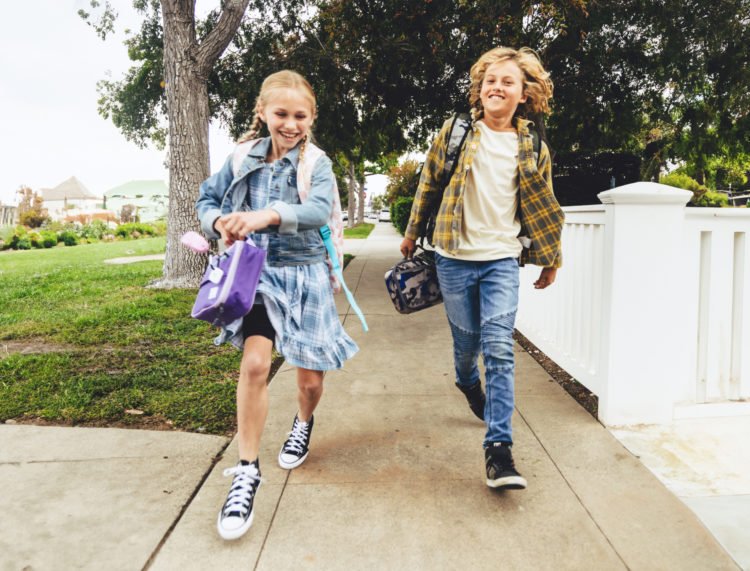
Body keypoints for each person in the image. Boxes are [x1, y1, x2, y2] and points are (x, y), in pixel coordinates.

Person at [196, 70, 358, 540]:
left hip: (307, 274)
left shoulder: (317, 164)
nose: (290, 123)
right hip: (258, 272)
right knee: (254, 364)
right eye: (281, 114)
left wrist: (266, 215)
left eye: (299, 115)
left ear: (311, 118)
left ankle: (303, 422)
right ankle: (247, 470)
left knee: (308, 384)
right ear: (263, 112)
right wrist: (218, 222)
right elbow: (207, 198)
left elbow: (314, 211)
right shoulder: (241, 157)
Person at [400, 47, 563, 490]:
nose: (497, 87)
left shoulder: (533, 146)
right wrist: (413, 231)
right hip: (453, 257)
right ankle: (467, 383)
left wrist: (551, 258)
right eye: (491, 80)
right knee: (466, 346)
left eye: (508, 82)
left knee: (499, 349)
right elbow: (429, 181)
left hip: (501, 261)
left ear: (524, 93)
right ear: (479, 88)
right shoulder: (455, 133)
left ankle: (499, 451)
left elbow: (545, 206)